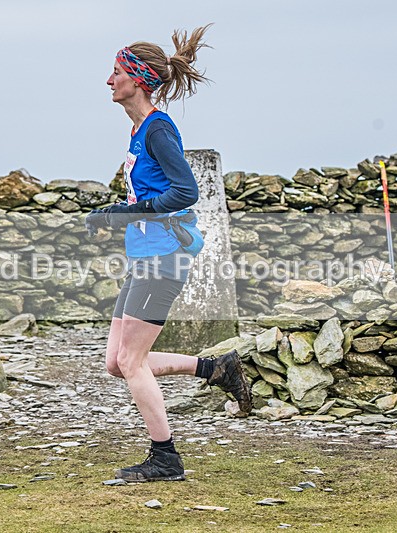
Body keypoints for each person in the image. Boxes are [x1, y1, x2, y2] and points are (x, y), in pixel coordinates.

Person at [85, 25, 252, 483]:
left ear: (136, 79)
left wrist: (129, 211)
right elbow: (154, 195)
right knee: (117, 363)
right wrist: (116, 214)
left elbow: (185, 191)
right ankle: (213, 368)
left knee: (132, 363)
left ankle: (166, 459)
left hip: (165, 256)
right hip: (146, 253)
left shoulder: (158, 129)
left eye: (115, 72)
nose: (108, 81)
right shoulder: (140, 130)